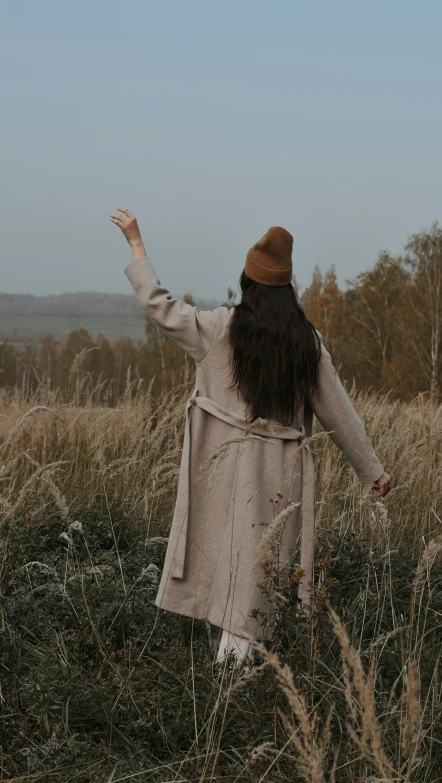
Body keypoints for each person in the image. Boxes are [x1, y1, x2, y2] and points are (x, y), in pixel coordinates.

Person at [110, 207, 391, 667]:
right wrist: (372, 471)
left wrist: (137, 245)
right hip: (276, 478)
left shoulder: (221, 329)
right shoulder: (308, 344)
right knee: (255, 581)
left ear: (248, 282)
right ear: (287, 288)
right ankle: (234, 687)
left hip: (217, 467)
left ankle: (227, 691)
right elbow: (341, 414)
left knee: (220, 571)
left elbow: (162, 307)